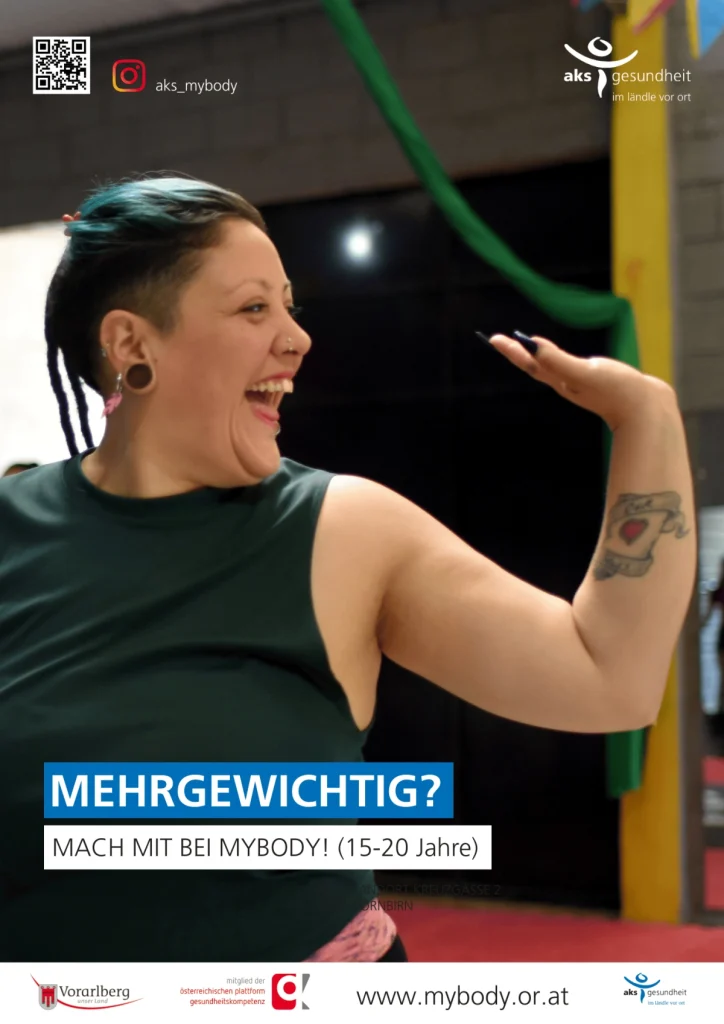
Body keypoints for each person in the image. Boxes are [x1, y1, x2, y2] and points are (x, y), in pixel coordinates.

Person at [0, 172, 696, 963]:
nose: (296, 338)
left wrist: (647, 418)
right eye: (254, 308)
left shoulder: (343, 529)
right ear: (132, 345)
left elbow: (611, 677)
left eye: (289, 306)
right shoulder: (12, 527)